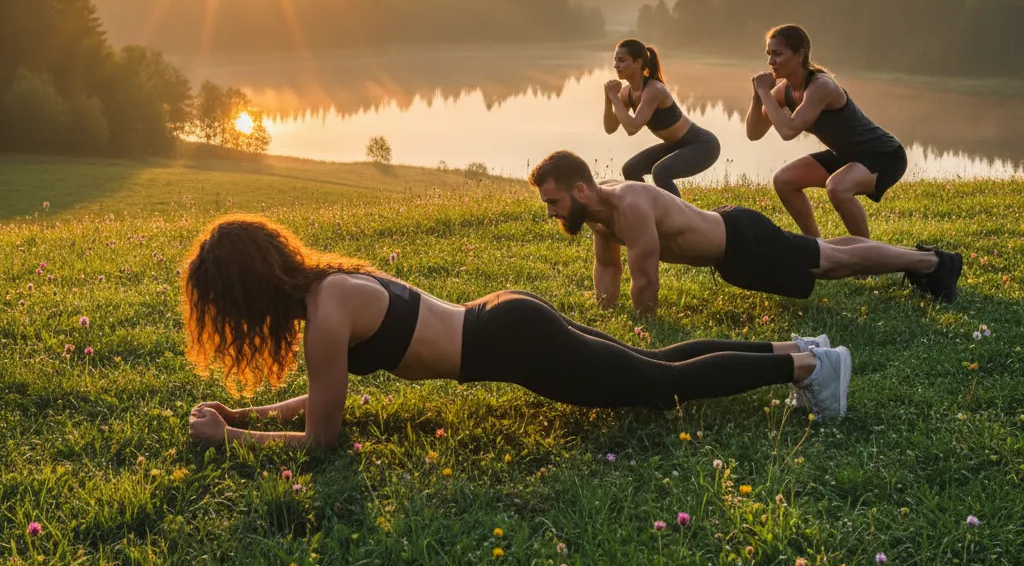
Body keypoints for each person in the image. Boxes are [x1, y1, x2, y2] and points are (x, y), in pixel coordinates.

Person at [184, 217, 853, 449]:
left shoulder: (327, 316)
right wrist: (243, 411)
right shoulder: (331, 287)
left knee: (660, 386)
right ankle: (799, 351)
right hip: (507, 316)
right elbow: (321, 395)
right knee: (653, 363)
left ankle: (807, 371)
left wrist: (229, 438)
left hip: (516, 343)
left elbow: (324, 439)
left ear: (246, 295)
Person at [528, 150, 961, 317]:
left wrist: (644, 332)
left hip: (741, 239)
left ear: (580, 189)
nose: (552, 212)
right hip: (732, 251)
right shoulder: (599, 218)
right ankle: (919, 257)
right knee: (825, 253)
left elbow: (644, 278)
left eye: (553, 202)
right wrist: (604, 318)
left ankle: (932, 263)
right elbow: (608, 268)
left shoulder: (631, 205)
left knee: (831, 263)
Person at [745, 24, 908, 238]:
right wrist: (757, 97)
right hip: (845, 156)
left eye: (777, 54)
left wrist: (765, 92)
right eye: (769, 54)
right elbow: (754, 133)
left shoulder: (821, 86)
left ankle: (868, 257)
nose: (770, 62)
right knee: (784, 180)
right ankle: (816, 247)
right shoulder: (785, 90)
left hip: (883, 155)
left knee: (837, 188)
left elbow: (788, 131)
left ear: (799, 55)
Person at [604, 38, 721, 196]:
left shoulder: (654, 90)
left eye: (621, 60)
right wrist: (609, 99)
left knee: (660, 172)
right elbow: (610, 128)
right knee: (631, 169)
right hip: (675, 145)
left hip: (703, 145)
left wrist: (615, 97)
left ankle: (679, 217)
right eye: (615, 60)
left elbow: (632, 128)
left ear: (638, 63)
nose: (616, 65)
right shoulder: (626, 93)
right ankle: (650, 211)